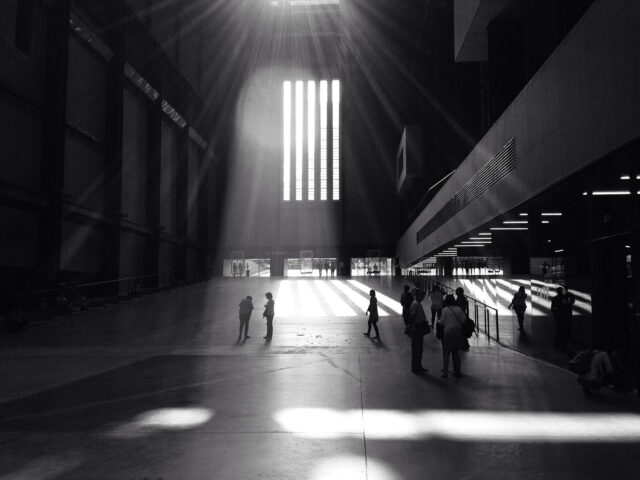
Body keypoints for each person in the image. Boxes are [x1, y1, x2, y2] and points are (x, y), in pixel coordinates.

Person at [438, 294, 466, 378]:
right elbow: (463, 320)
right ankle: (457, 372)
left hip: (448, 333)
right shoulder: (459, 309)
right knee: (456, 353)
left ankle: (445, 372)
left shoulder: (445, 310)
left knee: (446, 353)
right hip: (457, 333)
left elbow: (442, 322)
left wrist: (439, 320)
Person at [409, 288, 430, 373]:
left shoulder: (417, 303)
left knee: (418, 349)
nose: (423, 297)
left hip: (418, 328)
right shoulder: (416, 304)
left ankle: (418, 366)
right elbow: (412, 317)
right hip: (417, 328)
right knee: (417, 349)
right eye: (422, 295)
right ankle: (416, 367)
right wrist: (413, 326)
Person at [551, 286, 566, 350]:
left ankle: (556, 345)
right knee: (563, 330)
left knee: (557, 330)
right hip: (563, 316)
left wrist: (556, 312)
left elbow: (552, 308)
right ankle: (562, 345)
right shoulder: (564, 298)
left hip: (557, 316)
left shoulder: (554, 298)